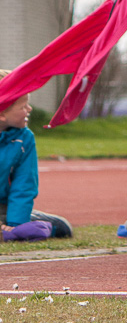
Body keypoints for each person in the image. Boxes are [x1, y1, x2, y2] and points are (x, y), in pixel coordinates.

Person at [0, 72, 73, 241]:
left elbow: (24, 184)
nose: (29, 109)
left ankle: (10, 231)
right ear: (2, 113)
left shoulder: (25, 138)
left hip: (5, 207)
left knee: (63, 227)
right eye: (23, 106)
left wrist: (16, 224)